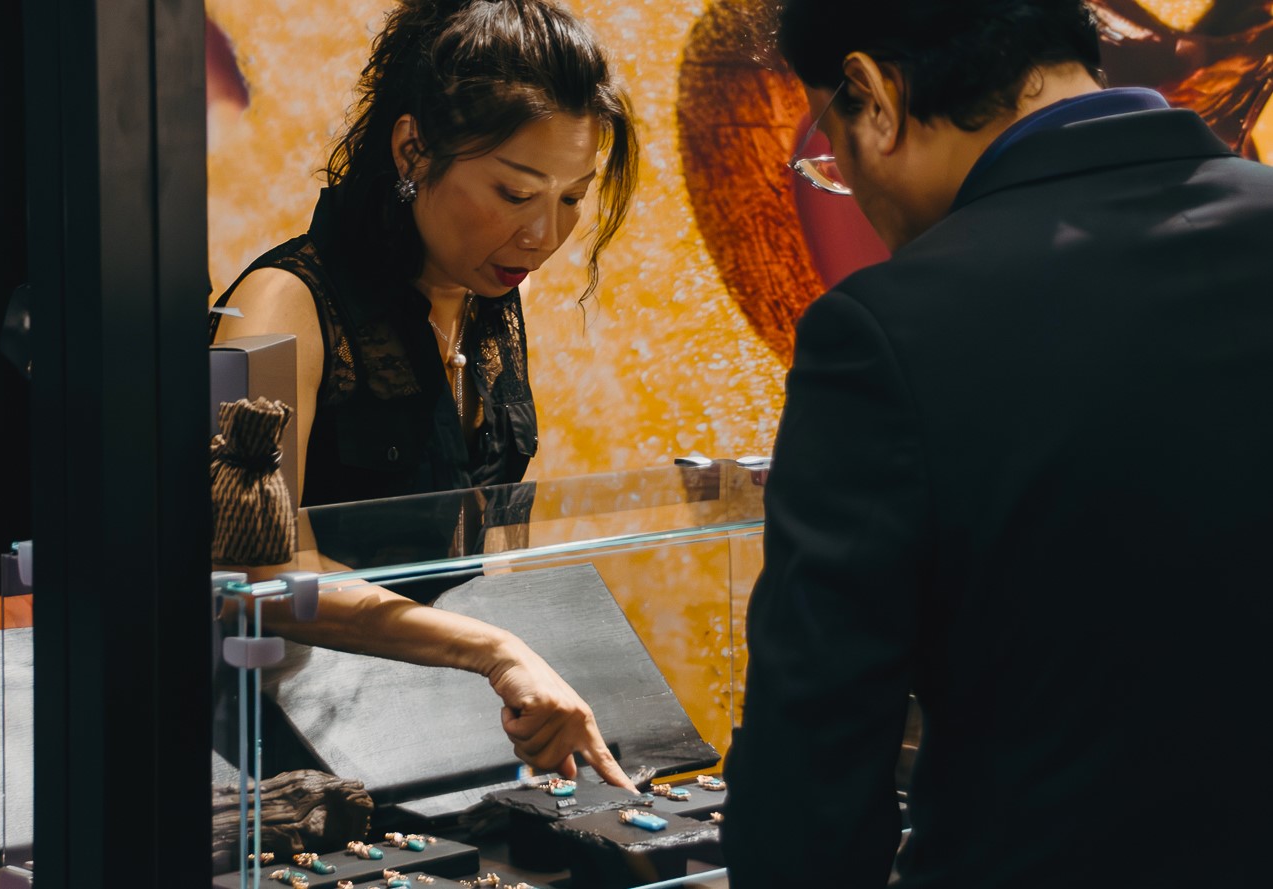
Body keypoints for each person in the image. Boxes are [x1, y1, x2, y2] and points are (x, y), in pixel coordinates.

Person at [722, 1, 1273, 886]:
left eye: (834, 150)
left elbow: (817, 755)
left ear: (874, 92)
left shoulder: (886, 330)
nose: (850, 192)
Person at [210, 0, 638, 788]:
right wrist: (492, 648)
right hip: (268, 753)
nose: (544, 235)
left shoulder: (488, 303)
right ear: (413, 149)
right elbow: (247, 578)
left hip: (421, 727)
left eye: (573, 196)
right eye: (515, 194)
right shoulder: (280, 307)